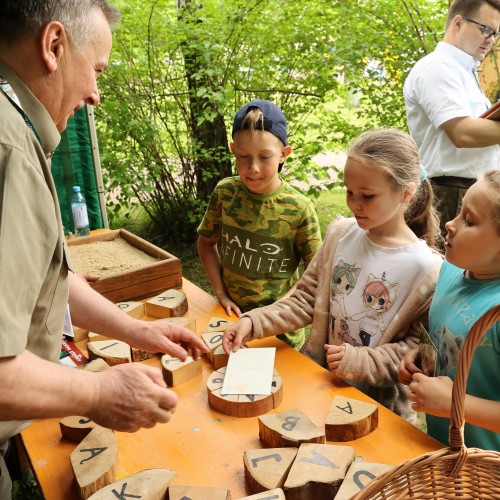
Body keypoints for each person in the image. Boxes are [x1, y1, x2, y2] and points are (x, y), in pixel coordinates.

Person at [0, 1, 208, 497]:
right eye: (95, 70)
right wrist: (98, 391)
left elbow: (50, 276)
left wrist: (137, 328)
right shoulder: (9, 149)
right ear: (54, 46)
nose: (95, 94)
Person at [223, 128, 443, 422]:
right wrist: (255, 321)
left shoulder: (427, 271)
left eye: (367, 195)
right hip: (322, 386)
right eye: (349, 191)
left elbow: (418, 354)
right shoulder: (341, 235)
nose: (354, 203)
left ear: (406, 193)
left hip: (378, 412)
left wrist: (359, 362)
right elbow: (305, 300)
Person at [197, 99, 322, 349]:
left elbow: (315, 276)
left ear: (284, 154)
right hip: (228, 320)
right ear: (233, 150)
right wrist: (221, 294)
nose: (252, 168)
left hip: (278, 334)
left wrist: (270, 316)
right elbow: (206, 243)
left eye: (265, 157)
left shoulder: (299, 208)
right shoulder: (224, 193)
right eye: (243, 156)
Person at [399, 170, 500, 451]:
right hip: (437, 448)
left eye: (469, 220)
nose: (450, 224)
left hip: (486, 471)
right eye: (459, 212)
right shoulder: (451, 270)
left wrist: (455, 403)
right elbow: (452, 338)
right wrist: (421, 357)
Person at [404, 0, 500, 240]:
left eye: (496, 33)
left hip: (471, 191)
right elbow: (463, 133)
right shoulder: (436, 67)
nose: (491, 39)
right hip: (450, 193)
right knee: (447, 273)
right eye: (485, 29)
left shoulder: (463, 71)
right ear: (458, 22)